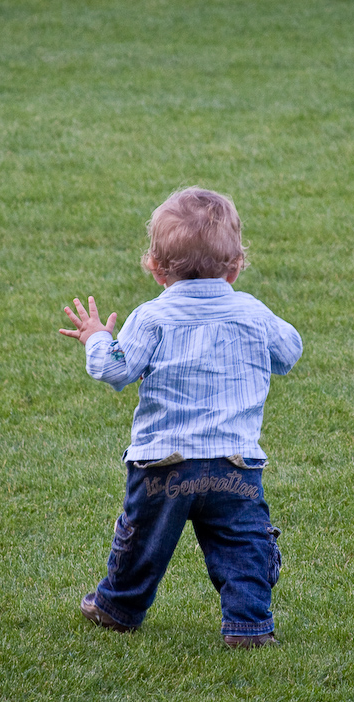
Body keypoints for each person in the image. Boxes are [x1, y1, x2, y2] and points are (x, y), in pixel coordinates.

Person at [59, 187, 302, 648]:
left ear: (154, 268)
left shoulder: (152, 317)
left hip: (162, 464)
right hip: (234, 464)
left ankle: (118, 607)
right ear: (235, 265)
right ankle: (249, 625)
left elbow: (115, 370)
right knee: (244, 545)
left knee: (142, 541)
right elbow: (289, 353)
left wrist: (96, 338)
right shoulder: (250, 311)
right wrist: (260, 324)